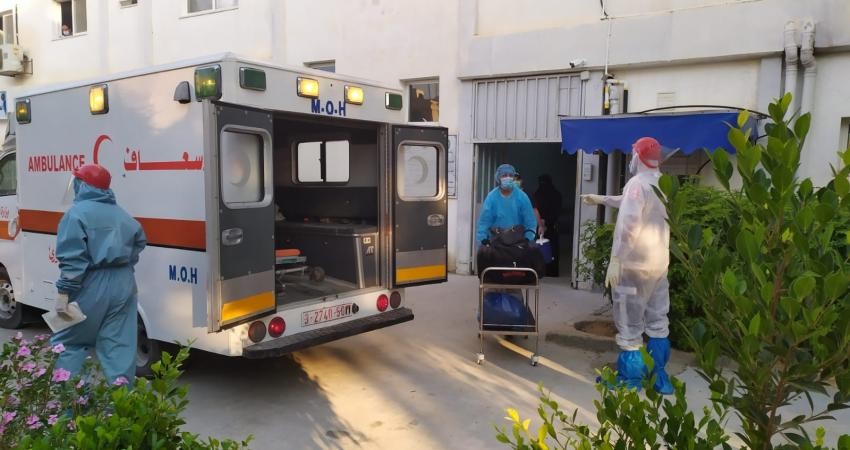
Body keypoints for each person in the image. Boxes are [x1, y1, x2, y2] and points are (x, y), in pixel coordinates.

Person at [581, 137, 673, 395]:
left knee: (630, 324)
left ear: (638, 156)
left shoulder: (636, 184)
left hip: (633, 267)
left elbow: (628, 226)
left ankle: (630, 379)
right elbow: (629, 201)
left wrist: (616, 260)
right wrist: (600, 199)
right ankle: (658, 376)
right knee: (658, 320)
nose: (631, 158)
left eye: (633, 153)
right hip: (658, 265)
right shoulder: (662, 183)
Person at [51, 164, 147, 385]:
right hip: (124, 283)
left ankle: (73, 402)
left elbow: (73, 259)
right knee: (119, 347)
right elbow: (139, 242)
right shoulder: (122, 214)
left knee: (69, 342)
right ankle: (122, 401)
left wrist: (64, 292)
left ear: (82, 185)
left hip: (90, 284)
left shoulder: (75, 215)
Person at [477, 164, 537, 247]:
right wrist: (483, 238)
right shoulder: (492, 197)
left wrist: (528, 238)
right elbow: (484, 221)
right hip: (497, 241)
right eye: (504, 175)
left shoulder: (522, 197)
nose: (508, 178)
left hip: (518, 242)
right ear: (498, 178)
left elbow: (530, 221)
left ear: (513, 178)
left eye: (510, 175)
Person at [535, 174, 563, 276]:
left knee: (546, 249)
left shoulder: (539, 193)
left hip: (546, 225)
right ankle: (549, 271)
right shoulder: (555, 194)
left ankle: (545, 271)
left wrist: (544, 221)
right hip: (545, 225)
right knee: (547, 249)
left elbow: (555, 210)